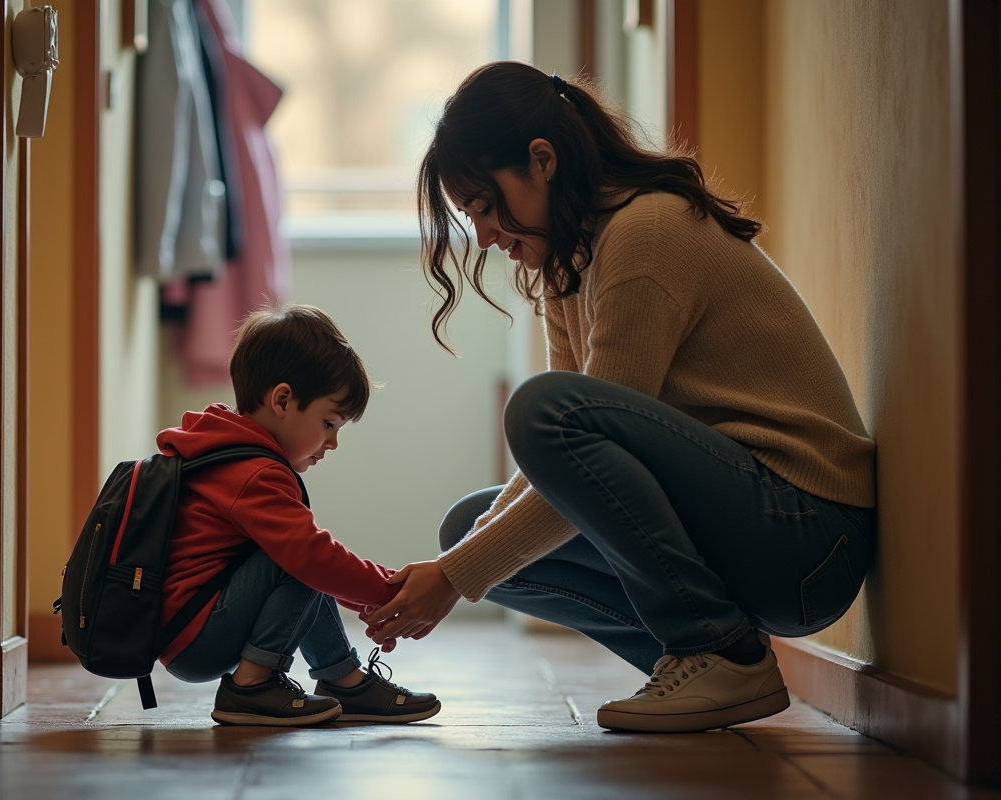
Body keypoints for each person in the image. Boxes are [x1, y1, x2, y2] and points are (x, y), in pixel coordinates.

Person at [361, 62, 876, 733]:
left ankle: (715, 648)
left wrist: (455, 579)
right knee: (470, 526)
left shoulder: (646, 231)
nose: (483, 237)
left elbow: (567, 429)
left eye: (484, 206)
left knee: (540, 414)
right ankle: (708, 656)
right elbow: (563, 469)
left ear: (540, 160)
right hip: (756, 530)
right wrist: (459, 565)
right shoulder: (564, 266)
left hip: (809, 535)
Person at [158, 303, 440, 726]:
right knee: (298, 558)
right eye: (329, 423)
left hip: (190, 625)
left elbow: (310, 562)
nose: (333, 443)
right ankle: (251, 687)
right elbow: (308, 557)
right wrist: (387, 592)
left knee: (300, 558)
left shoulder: (227, 451)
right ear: (283, 400)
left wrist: (362, 594)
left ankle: (344, 681)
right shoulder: (253, 472)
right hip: (198, 635)